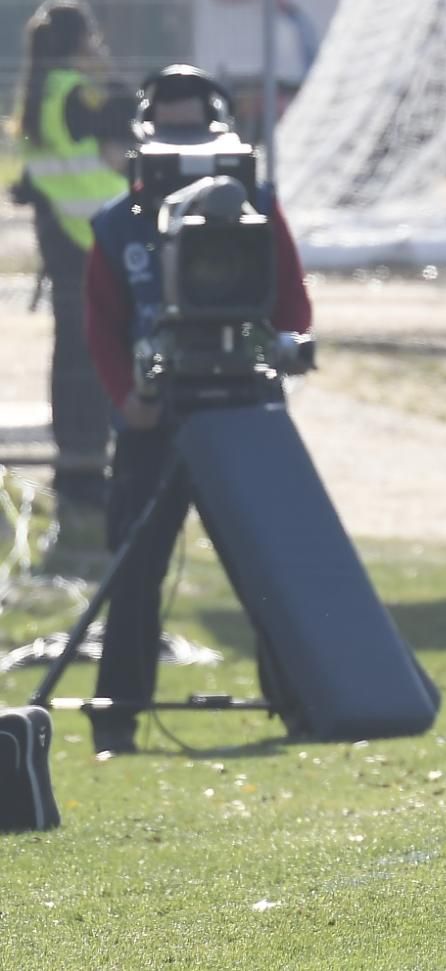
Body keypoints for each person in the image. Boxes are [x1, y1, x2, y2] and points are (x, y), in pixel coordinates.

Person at [82, 66, 313, 755]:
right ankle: (116, 716)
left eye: (196, 131)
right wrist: (131, 399)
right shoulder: (118, 223)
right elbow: (103, 324)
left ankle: (302, 699)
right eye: (172, 131)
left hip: (241, 411)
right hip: (156, 417)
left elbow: (292, 307)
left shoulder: (257, 208)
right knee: (134, 570)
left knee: (268, 568)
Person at [10, 0, 135, 527]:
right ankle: (89, 473)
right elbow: (128, 116)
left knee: (72, 360)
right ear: (78, 41)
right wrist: (107, 71)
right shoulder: (76, 91)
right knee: (95, 358)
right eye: (92, 37)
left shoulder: (36, 93)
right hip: (96, 236)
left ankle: (77, 467)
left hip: (61, 236)